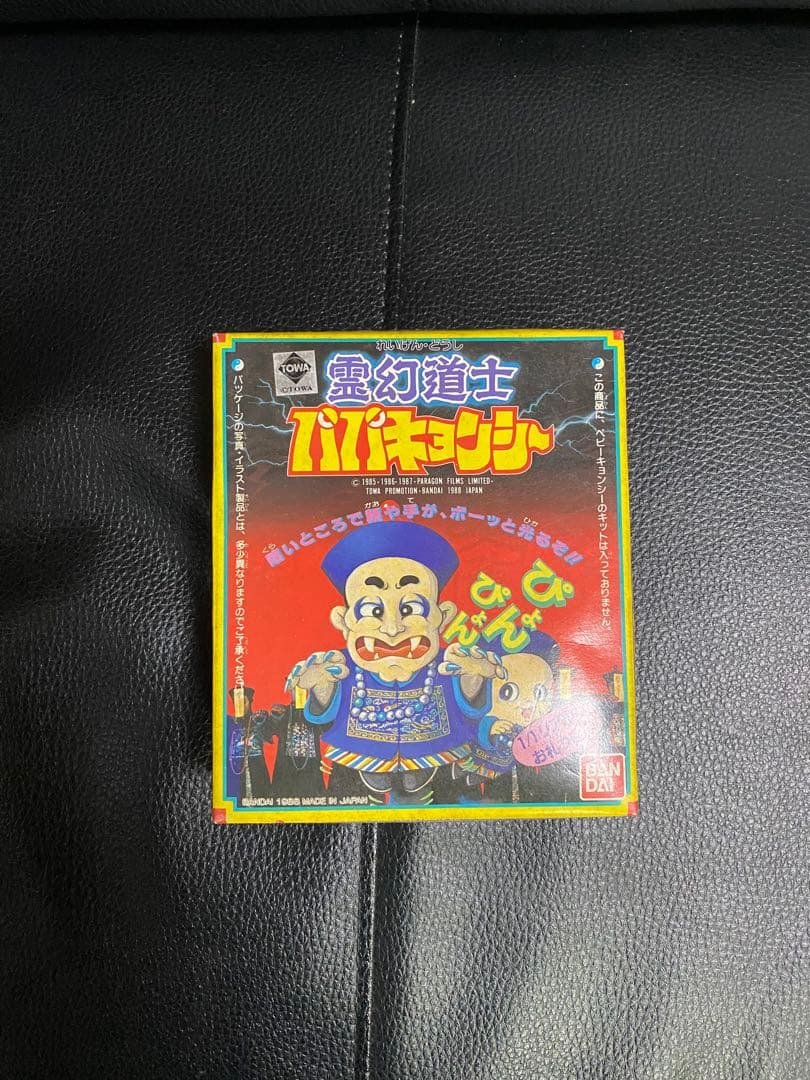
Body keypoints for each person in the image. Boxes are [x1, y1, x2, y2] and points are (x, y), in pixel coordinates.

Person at [285, 520, 504, 805]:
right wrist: (322, 687)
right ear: (344, 620)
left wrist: (473, 678)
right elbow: (324, 714)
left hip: (436, 758)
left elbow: (470, 705)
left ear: (442, 616)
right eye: (373, 610)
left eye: (410, 608)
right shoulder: (341, 666)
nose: (392, 628)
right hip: (358, 760)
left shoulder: (448, 663)